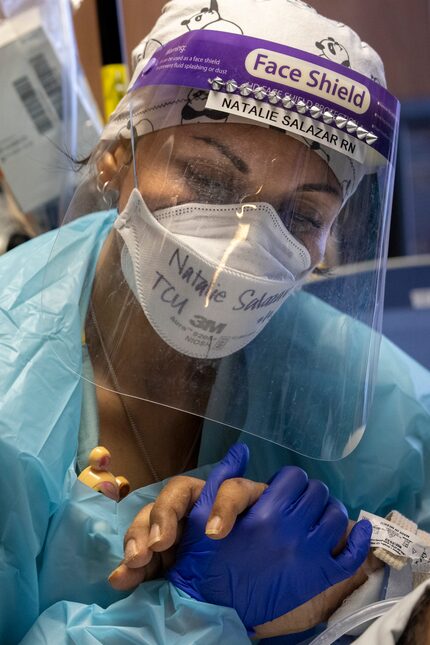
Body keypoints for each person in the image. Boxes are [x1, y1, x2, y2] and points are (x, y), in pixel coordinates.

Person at [1, 0, 430, 643]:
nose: (244, 245)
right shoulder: (14, 384)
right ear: (118, 157)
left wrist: (357, 571)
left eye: (302, 216)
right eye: (207, 178)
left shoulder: (323, 367)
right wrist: (195, 614)